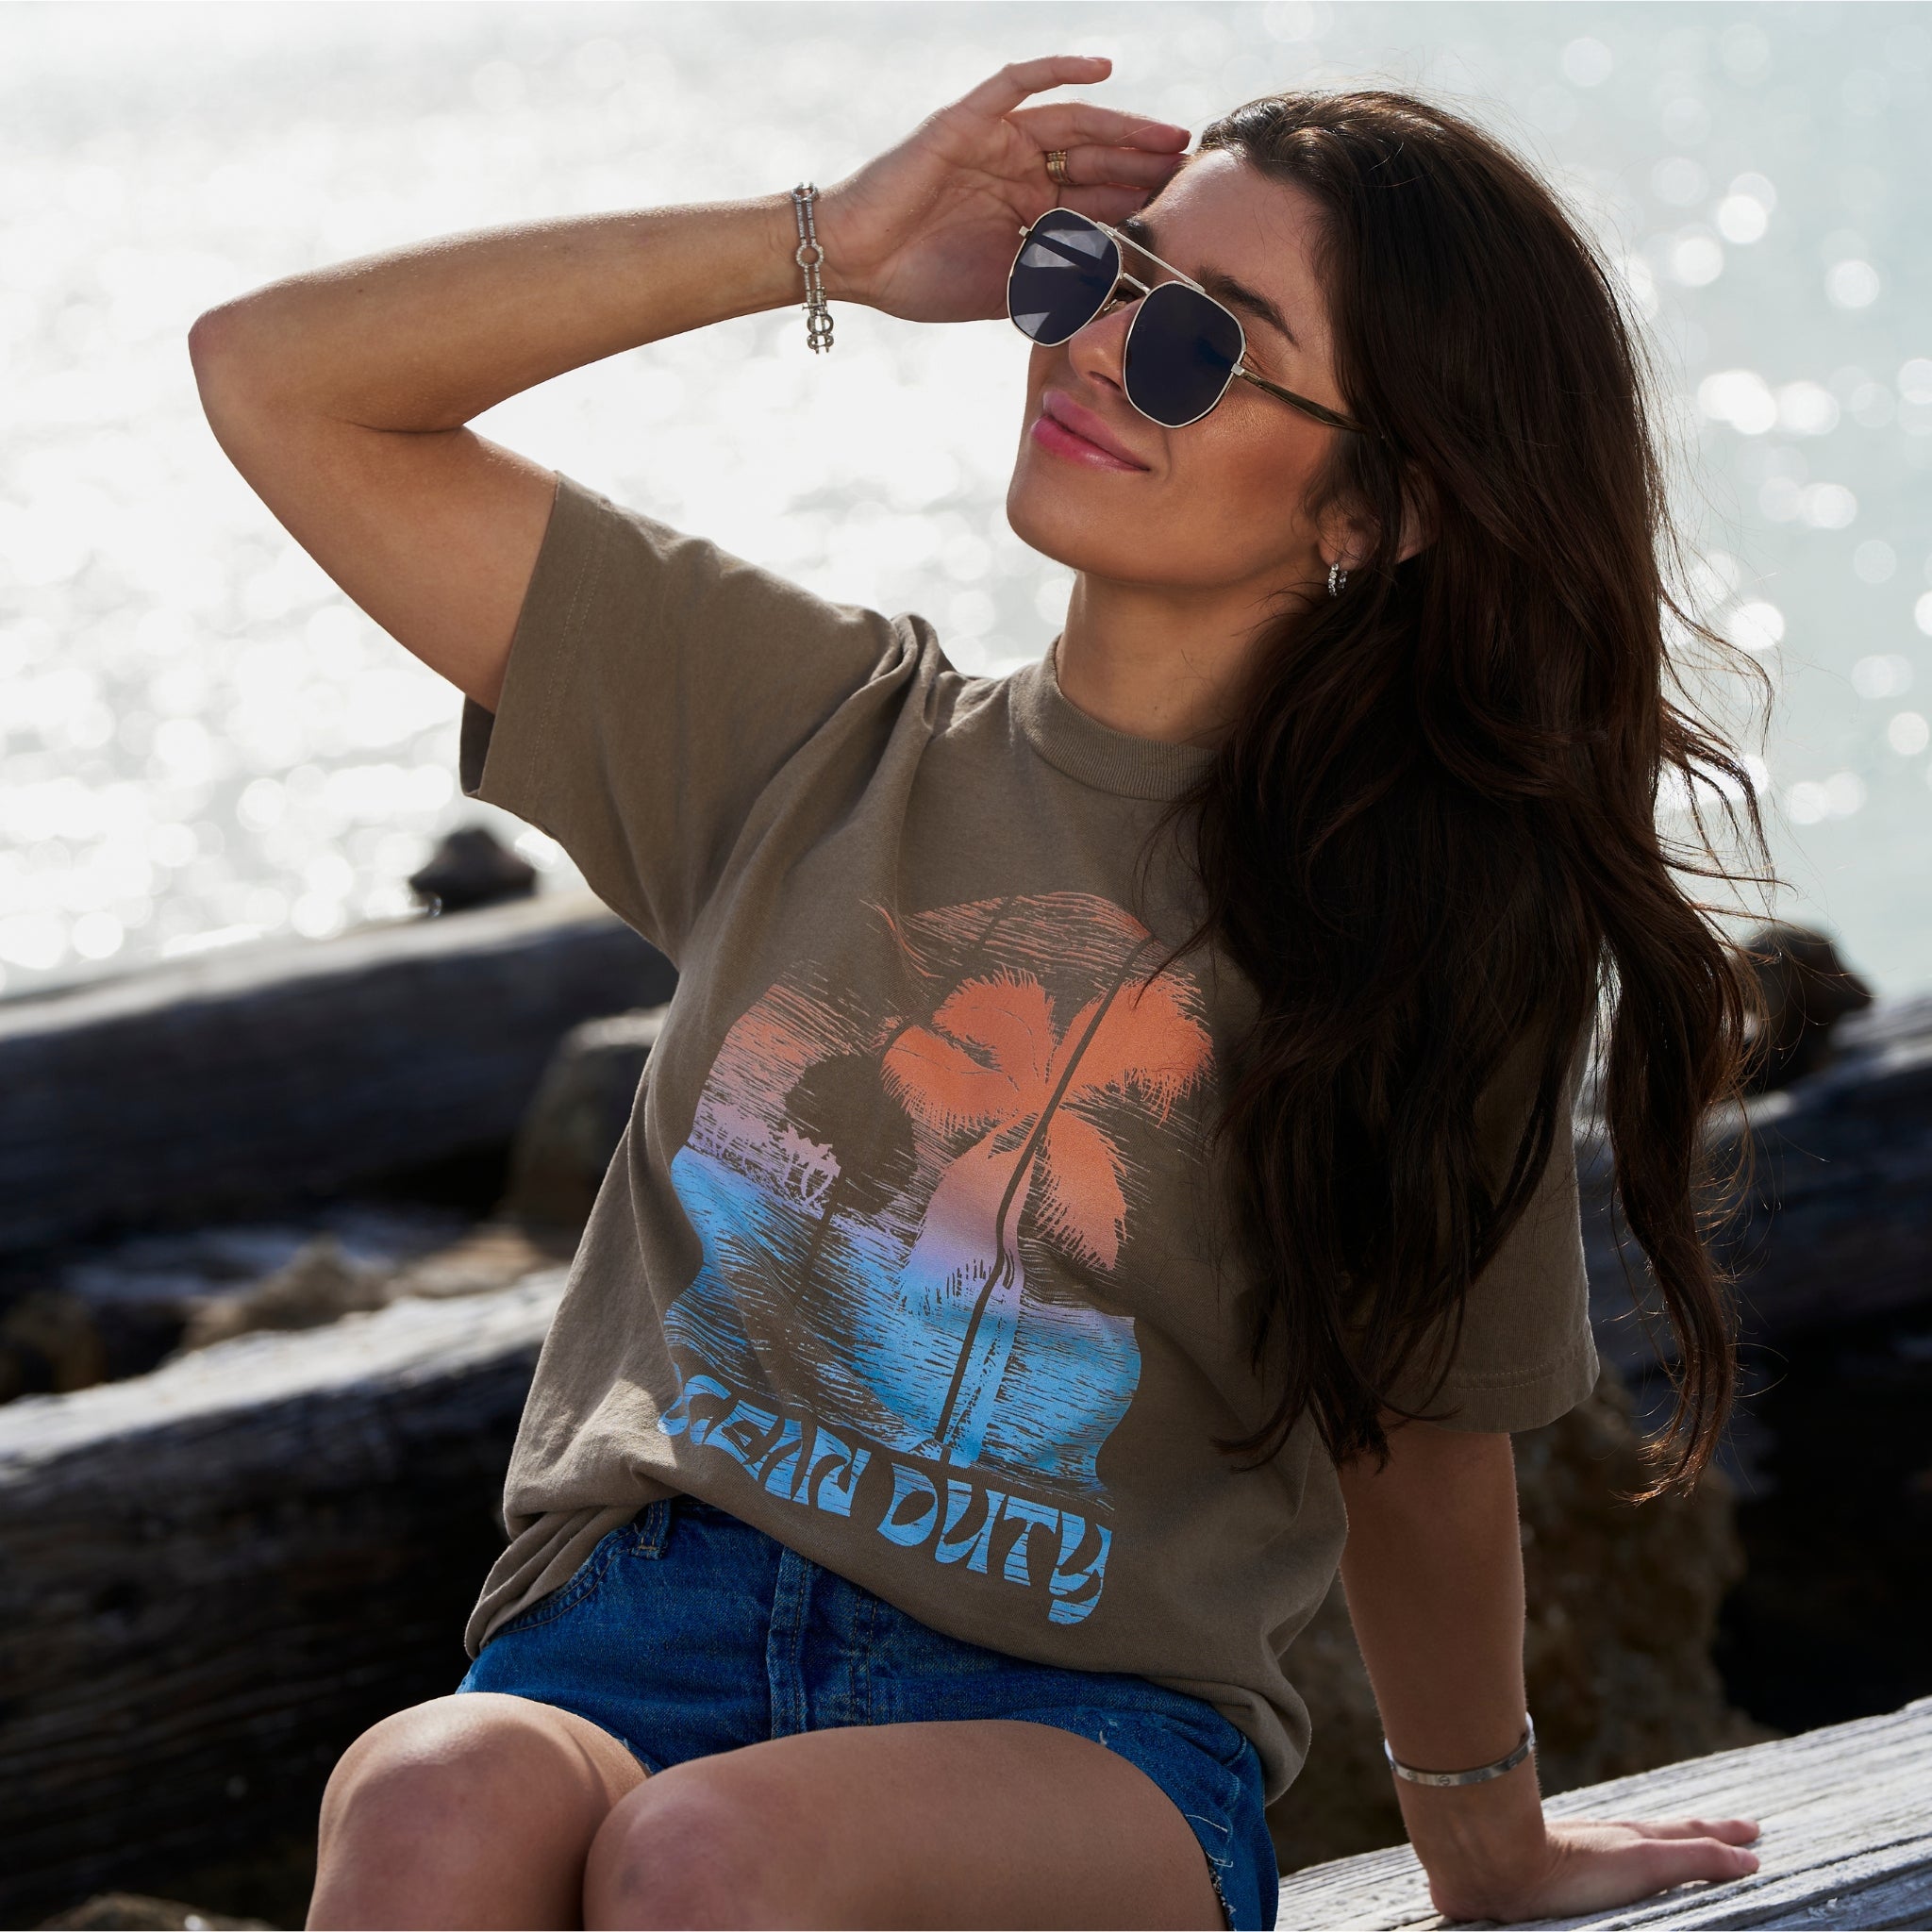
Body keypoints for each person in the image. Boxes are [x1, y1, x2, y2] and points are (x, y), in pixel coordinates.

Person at [190, 52, 1769, 1932]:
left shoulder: (1426, 943)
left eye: (1199, 341)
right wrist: (828, 244)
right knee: (433, 1792)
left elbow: (1421, 1444)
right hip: (624, 1643)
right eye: (1097, 269)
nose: (1095, 345)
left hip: (1077, 1737)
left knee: (711, 1860)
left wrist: (1485, 1840)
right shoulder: (809, 735)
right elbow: (278, 379)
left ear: (1382, 503)